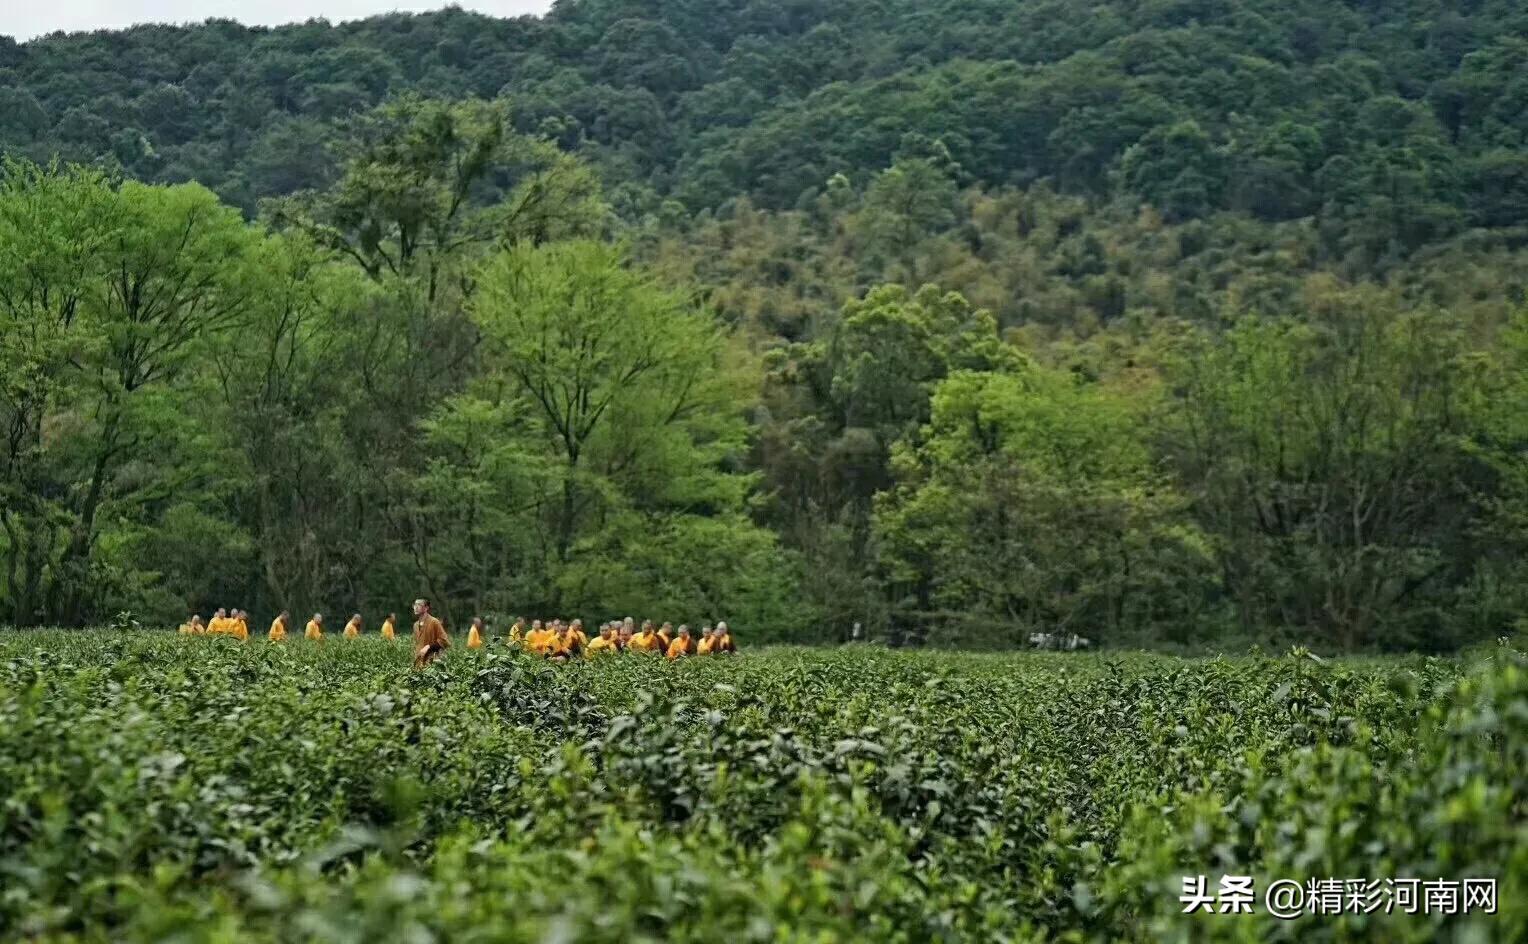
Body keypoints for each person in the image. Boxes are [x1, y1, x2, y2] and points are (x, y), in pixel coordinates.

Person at [412, 598, 450, 667]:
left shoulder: (434, 622)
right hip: (419, 662)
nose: (416, 607)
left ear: (426, 608)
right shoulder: (415, 625)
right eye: (415, 605)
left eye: (419, 605)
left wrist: (428, 646)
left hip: (433, 662)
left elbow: (444, 641)